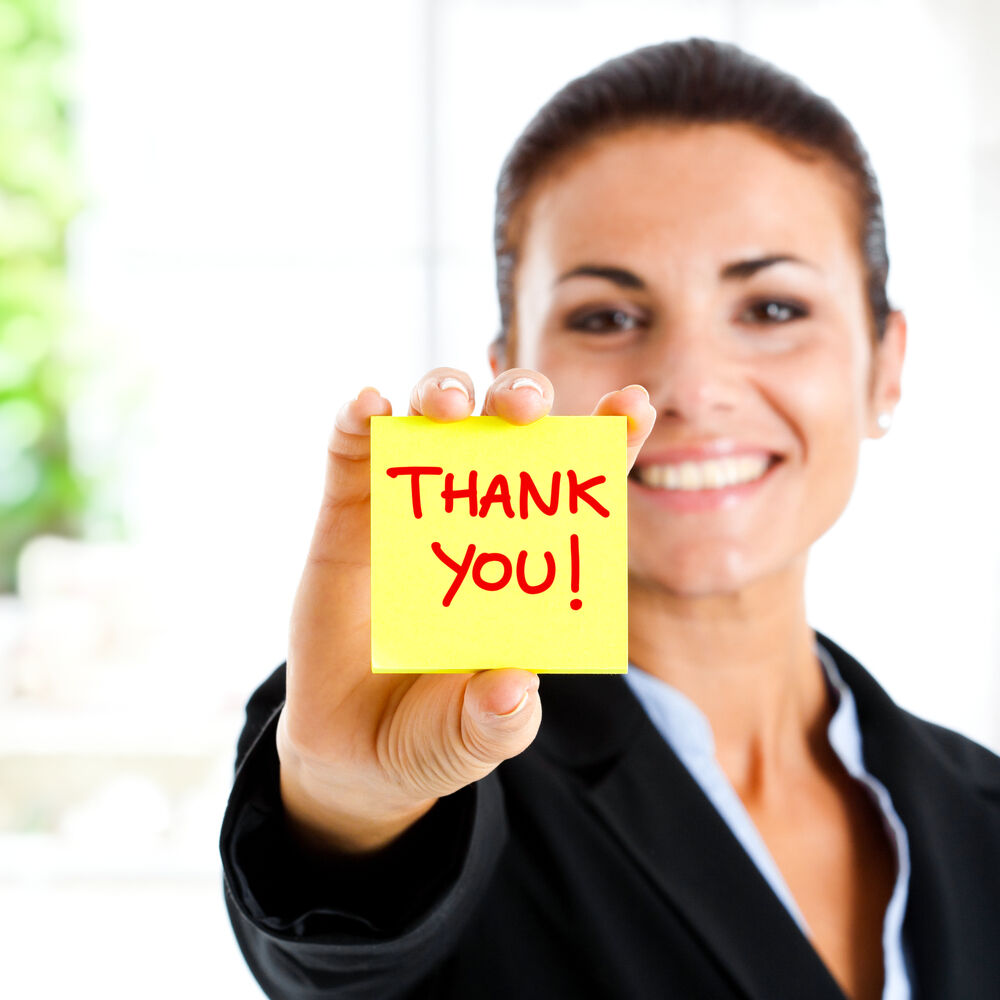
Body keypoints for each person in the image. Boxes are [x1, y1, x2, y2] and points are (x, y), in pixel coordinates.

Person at [220, 38, 1000, 1000]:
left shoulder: (983, 812)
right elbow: (344, 937)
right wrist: (345, 811)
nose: (691, 388)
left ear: (886, 367)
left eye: (771, 306)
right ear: (515, 368)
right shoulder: (429, 747)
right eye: (605, 318)